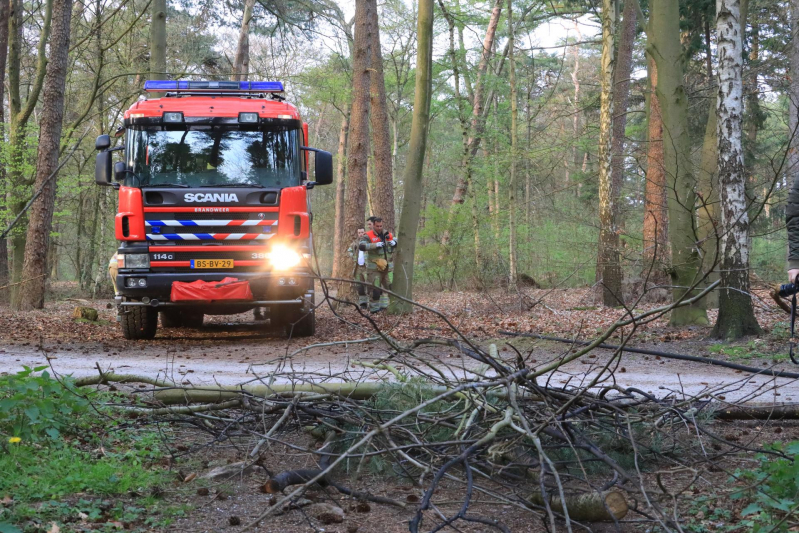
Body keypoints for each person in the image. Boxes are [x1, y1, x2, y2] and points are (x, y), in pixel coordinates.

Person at [359, 217, 397, 312]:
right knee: (375, 290)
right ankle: (374, 310)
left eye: (381, 226)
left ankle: (393, 307)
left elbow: (397, 240)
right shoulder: (367, 236)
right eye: (377, 226)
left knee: (392, 288)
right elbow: (362, 246)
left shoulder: (387, 234)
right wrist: (375, 245)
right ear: (373, 225)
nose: (379, 228)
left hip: (387, 268)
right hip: (374, 269)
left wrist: (394, 242)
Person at [347, 228, 369, 309]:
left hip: (367, 267)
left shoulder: (368, 241)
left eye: (362, 232)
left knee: (369, 286)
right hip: (358, 267)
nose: (360, 234)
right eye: (359, 232)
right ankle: (363, 304)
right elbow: (349, 250)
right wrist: (353, 256)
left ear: (364, 232)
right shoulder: (355, 243)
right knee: (360, 287)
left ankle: (371, 303)